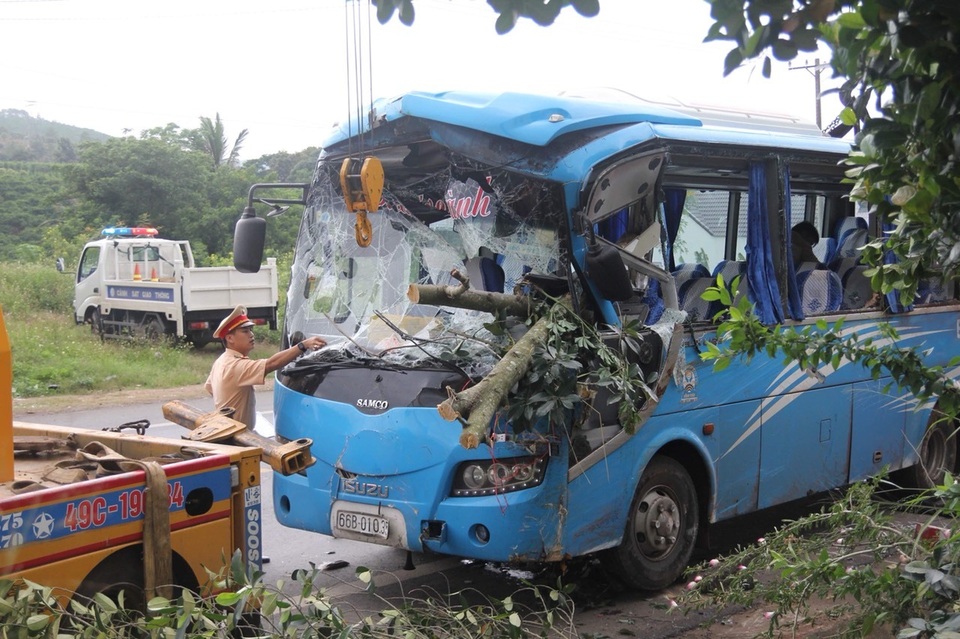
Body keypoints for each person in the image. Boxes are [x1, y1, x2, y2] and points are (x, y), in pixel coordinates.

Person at [205, 305, 326, 430]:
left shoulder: (221, 361)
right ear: (229, 338)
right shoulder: (235, 366)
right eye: (245, 331)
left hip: (229, 432)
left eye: (251, 330)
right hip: (235, 438)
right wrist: (302, 346)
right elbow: (271, 364)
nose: (251, 335)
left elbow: (210, 388)